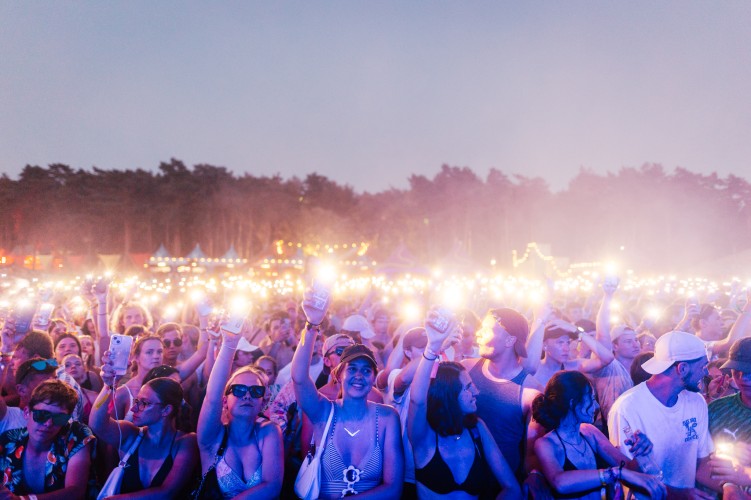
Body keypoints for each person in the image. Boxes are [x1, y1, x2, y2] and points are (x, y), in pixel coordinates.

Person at [291, 289, 403, 498]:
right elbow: (299, 377)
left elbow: (394, 488)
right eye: (352, 368)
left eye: (366, 370)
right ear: (339, 373)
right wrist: (312, 324)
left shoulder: (388, 418)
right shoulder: (323, 411)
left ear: (373, 378)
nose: (359, 375)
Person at [409, 313, 521, 499]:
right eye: (468, 387)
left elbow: (512, 488)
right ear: (449, 395)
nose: (476, 391)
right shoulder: (424, 434)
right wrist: (432, 348)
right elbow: (417, 400)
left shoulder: (477, 428)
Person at [608, 331, 716, 497]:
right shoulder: (628, 407)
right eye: (703, 367)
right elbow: (629, 475)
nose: (706, 373)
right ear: (682, 368)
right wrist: (680, 495)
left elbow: (701, 463)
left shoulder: (696, 402)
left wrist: (731, 487)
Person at [532, 371, 665, 499]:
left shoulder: (589, 432)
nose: (596, 405)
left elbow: (628, 469)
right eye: (591, 398)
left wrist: (641, 453)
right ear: (572, 402)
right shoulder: (546, 443)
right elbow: (559, 482)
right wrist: (615, 473)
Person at [90, 358, 199, 498]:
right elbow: (97, 424)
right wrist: (109, 385)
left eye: (144, 403)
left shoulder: (186, 442)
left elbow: (167, 493)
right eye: (136, 400)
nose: (134, 408)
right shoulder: (132, 435)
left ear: (166, 410)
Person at [197, 327, 283, 499]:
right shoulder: (213, 438)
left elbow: (272, 487)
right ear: (224, 401)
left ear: (263, 402)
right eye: (238, 389)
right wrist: (229, 344)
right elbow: (211, 396)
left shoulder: (269, 432)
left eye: (256, 391)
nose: (247, 395)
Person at [462, 307, 543, 485]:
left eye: (487, 329)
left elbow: (531, 453)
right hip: (461, 482)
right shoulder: (465, 370)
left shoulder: (530, 390)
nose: (478, 334)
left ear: (510, 339)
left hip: (503, 486)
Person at [0, 379, 95, 497]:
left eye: (59, 418)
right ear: (26, 412)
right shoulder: (8, 440)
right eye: (42, 415)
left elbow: (75, 492)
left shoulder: (76, 435)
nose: (48, 423)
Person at [532, 320, 614, 387]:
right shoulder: (533, 369)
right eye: (560, 342)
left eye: (568, 343)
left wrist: (576, 330)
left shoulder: (574, 366)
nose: (566, 348)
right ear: (544, 345)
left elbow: (607, 358)